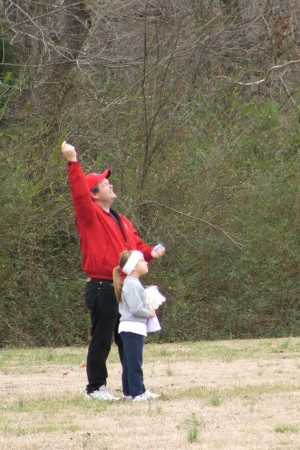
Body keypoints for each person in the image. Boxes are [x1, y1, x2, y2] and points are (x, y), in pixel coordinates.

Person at [61, 141, 165, 400]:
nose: (111, 185)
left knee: (128, 339)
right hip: (102, 286)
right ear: (94, 194)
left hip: (124, 287)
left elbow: (135, 245)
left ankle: (134, 389)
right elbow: (78, 195)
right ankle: (96, 388)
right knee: (102, 339)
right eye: (106, 183)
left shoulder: (120, 219)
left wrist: (150, 252)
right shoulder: (89, 215)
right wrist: (72, 161)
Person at [113, 250, 160, 401]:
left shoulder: (133, 283)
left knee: (129, 362)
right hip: (132, 328)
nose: (146, 262)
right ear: (133, 267)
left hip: (132, 328)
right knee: (134, 362)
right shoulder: (132, 285)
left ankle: (129, 391)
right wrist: (149, 312)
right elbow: (136, 309)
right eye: (142, 261)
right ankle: (136, 393)